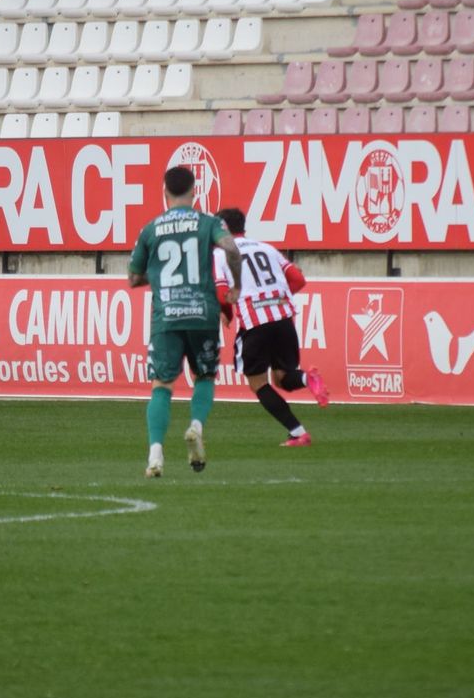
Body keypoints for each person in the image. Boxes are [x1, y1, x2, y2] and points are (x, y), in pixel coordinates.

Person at [127, 166, 243, 478]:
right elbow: (231, 248)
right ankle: (195, 426)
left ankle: (155, 455)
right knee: (204, 376)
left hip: (166, 315)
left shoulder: (150, 229)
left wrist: (156, 277)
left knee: (162, 385)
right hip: (202, 312)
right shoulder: (209, 223)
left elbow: (134, 277)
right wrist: (236, 285)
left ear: (164, 193)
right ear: (195, 191)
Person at [211, 207, 329, 446]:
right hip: (283, 318)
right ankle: (307, 379)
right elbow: (298, 279)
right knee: (282, 378)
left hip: (255, 324)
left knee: (258, 383)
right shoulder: (266, 247)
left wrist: (227, 314)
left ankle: (298, 432)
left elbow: (222, 295)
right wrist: (274, 299)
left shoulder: (221, 254)